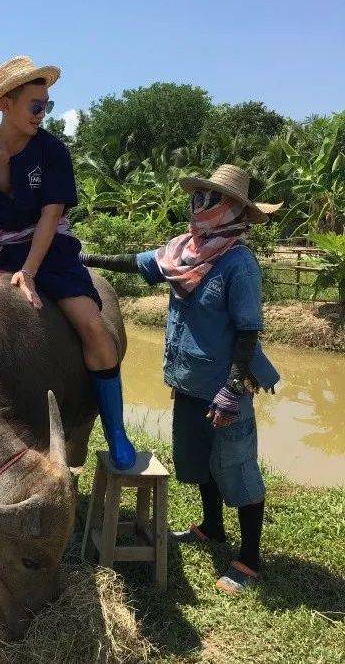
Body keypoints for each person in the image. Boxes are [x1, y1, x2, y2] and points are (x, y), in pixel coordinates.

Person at [0, 55, 136, 470]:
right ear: (6, 103)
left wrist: (31, 273)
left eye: (48, 106)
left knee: (93, 326)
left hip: (49, 250)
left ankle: (115, 430)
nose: (43, 114)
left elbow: (50, 216)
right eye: (36, 105)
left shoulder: (53, 152)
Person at [81, 164, 282, 595]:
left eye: (208, 199)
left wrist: (233, 387)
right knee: (196, 461)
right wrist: (84, 258)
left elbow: (248, 331)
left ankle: (249, 558)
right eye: (196, 197)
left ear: (231, 209)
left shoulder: (238, 264)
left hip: (224, 386)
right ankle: (211, 527)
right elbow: (136, 263)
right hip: (187, 380)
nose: (197, 205)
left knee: (237, 468)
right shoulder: (182, 252)